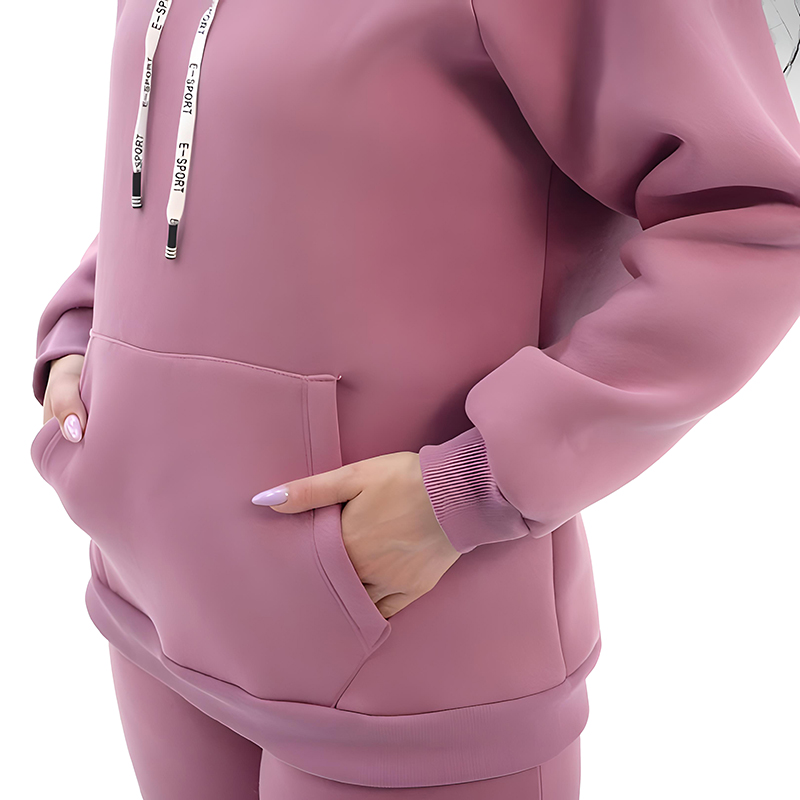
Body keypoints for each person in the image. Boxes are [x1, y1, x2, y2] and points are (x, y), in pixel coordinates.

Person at [30, 0, 800, 797]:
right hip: (147, 596)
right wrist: (84, 324)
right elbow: (196, 148)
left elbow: (753, 221)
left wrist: (472, 485)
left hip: (396, 647)